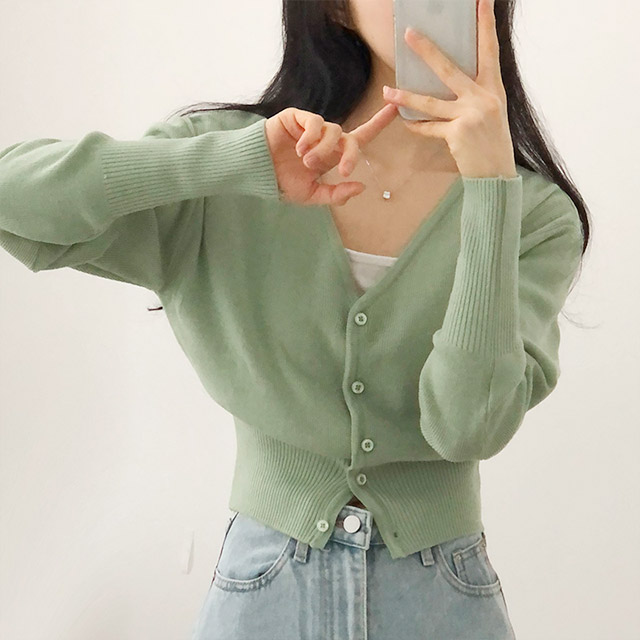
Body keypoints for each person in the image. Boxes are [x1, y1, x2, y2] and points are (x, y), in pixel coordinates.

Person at [0, 0, 591, 638]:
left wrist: (491, 188)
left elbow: (467, 425)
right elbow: (15, 197)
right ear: (335, 8)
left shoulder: (536, 216)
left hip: (444, 597)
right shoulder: (237, 160)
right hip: (265, 587)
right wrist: (236, 162)